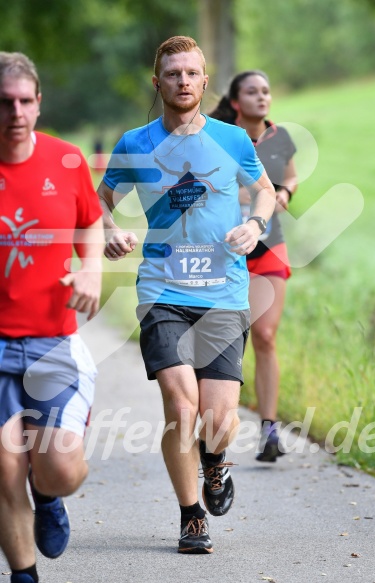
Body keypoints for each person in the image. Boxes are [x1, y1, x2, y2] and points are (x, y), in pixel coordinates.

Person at [98, 36, 276, 554]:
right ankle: (191, 513)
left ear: (203, 81)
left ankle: (215, 463)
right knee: (181, 404)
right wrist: (108, 227)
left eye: (191, 74)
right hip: (163, 290)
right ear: (159, 83)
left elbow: (264, 190)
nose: (182, 82)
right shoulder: (135, 143)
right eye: (172, 74)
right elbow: (99, 197)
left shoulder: (232, 139)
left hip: (222, 292)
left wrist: (257, 222)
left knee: (218, 420)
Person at [0, 52, 104, 583]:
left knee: (57, 469)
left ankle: (49, 495)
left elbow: (91, 223)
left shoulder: (66, 161)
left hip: (52, 342)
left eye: (24, 101)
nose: (15, 112)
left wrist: (90, 271)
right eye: (4, 102)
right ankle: (23, 575)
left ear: (39, 104)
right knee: (4, 468)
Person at [210, 71, 298, 462]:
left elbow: (291, 176)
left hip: (270, 246)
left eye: (266, 90)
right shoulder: (220, 138)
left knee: (265, 335)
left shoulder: (281, 138)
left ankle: (270, 429)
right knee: (234, 333)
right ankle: (219, 418)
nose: (262, 97)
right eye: (252, 91)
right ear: (235, 101)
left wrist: (284, 192)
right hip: (228, 250)